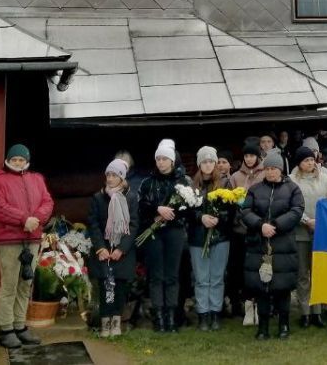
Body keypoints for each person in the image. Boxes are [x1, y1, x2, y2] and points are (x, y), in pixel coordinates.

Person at [0, 143, 54, 349]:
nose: (18, 162)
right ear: (8, 160)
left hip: (31, 239)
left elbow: (47, 202)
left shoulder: (37, 179)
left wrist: (36, 219)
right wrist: (24, 218)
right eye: (14, 159)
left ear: (27, 161)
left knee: (26, 284)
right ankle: (6, 329)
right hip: (9, 240)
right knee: (9, 285)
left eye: (21, 159)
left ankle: (20, 325)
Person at [241, 150, 305, 340]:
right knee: (261, 289)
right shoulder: (255, 189)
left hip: (283, 245)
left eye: (274, 168)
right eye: (267, 168)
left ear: (281, 170)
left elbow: (297, 210)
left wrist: (276, 225)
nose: (270, 172)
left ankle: (284, 325)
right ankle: (263, 327)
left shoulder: (293, 189)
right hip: (259, 245)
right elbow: (245, 210)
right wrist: (261, 225)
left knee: (282, 288)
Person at [139, 139, 192, 333]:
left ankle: (171, 316)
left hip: (175, 232)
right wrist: (157, 209)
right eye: (158, 159)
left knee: (172, 275)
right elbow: (140, 207)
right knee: (156, 276)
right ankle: (158, 317)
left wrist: (173, 214)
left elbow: (189, 208)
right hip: (154, 234)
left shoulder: (183, 182)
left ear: (172, 160)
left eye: (164, 159)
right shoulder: (148, 182)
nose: (161, 162)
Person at [89, 158, 139, 338]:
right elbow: (93, 224)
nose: (110, 178)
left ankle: (116, 321)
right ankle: (105, 321)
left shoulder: (131, 198)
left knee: (119, 287)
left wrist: (121, 249)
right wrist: (101, 248)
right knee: (105, 286)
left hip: (121, 252)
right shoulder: (97, 197)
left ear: (121, 178)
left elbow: (133, 225)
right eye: (108, 175)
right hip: (104, 250)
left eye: (114, 175)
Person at [189, 146, 233, 331]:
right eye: (204, 162)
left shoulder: (225, 183)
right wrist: (201, 218)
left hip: (220, 237)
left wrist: (218, 218)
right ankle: (202, 314)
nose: (208, 165)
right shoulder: (192, 185)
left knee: (216, 277)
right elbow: (187, 211)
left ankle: (216, 313)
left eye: (210, 161)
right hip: (198, 238)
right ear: (199, 165)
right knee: (201, 278)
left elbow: (232, 210)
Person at [290, 146, 327, 328]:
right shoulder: (292, 180)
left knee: (318, 272)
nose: (310, 162)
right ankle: (305, 312)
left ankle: (317, 312)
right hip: (300, 231)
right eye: (306, 160)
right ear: (299, 163)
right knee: (302, 274)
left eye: (311, 159)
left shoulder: (324, 178)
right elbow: (291, 204)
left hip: (321, 231)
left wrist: (319, 219)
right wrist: (306, 220)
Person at [228, 139, 265, 318]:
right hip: (239, 229)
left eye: (252, 156)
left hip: (257, 227)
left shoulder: (264, 174)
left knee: (257, 268)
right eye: (246, 156)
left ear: (257, 157)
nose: (249, 159)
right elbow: (230, 201)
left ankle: (258, 304)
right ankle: (237, 304)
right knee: (237, 268)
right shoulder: (235, 177)